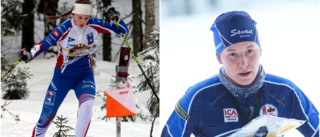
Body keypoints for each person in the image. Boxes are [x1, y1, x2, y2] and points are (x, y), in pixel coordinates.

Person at [161, 11, 319, 137]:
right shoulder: (198, 97)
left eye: (250, 50)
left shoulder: (285, 91)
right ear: (219, 58)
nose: (243, 62)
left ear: (260, 51)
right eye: (232, 54)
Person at [19, 0, 128, 136]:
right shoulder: (64, 28)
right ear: (73, 14)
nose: (83, 21)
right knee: (45, 118)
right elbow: (45, 43)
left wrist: (114, 17)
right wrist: (30, 54)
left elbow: (122, 30)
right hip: (62, 77)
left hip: (84, 75)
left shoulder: (93, 24)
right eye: (80, 18)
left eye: (86, 18)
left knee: (87, 105)